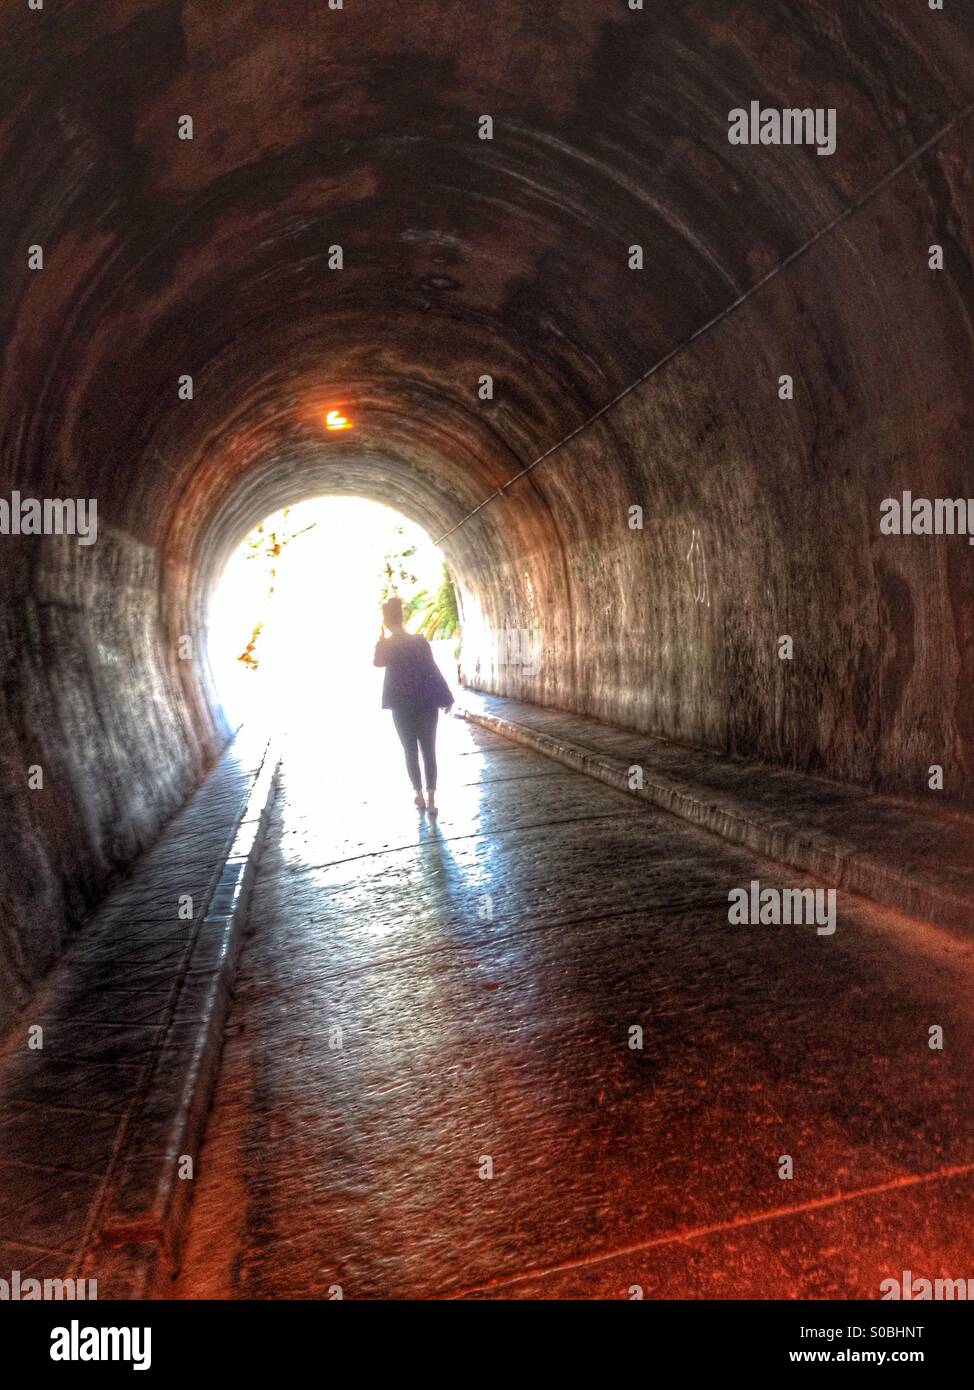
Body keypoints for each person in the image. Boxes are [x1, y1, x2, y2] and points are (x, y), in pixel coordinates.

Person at [374, 596, 454, 814]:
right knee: (429, 750)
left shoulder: (386, 646)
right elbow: (432, 669)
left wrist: (381, 640)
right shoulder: (419, 641)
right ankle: (431, 799)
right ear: (402, 618)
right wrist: (446, 697)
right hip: (426, 704)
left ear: (387, 621)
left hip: (401, 707)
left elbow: (377, 662)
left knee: (410, 750)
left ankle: (418, 794)